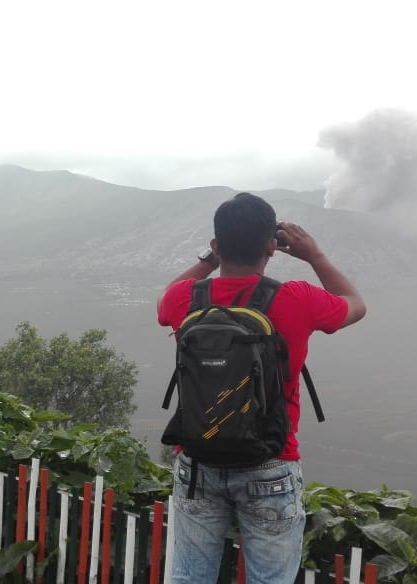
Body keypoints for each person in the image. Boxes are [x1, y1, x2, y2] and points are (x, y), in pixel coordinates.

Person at [157, 192, 366, 584]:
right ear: (273, 246)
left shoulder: (186, 298)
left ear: (218, 246)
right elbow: (355, 303)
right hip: (270, 462)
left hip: (198, 460)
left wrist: (209, 259)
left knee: (188, 578)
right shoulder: (296, 298)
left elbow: (163, 302)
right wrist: (314, 255)